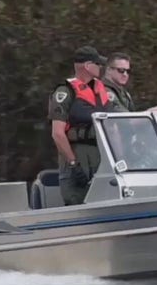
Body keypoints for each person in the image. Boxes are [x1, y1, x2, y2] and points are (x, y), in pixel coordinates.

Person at [48, 46, 113, 206]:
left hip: (101, 155)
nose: (101, 68)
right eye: (98, 64)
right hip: (77, 155)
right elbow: (57, 133)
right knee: (77, 202)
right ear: (87, 66)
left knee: (106, 202)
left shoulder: (102, 91)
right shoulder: (65, 92)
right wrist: (73, 163)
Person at [101, 51, 157, 116]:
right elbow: (125, 119)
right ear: (109, 70)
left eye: (128, 71)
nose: (125, 74)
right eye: (121, 70)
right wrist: (152, 112)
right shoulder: (103, 91)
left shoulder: (123, 92)